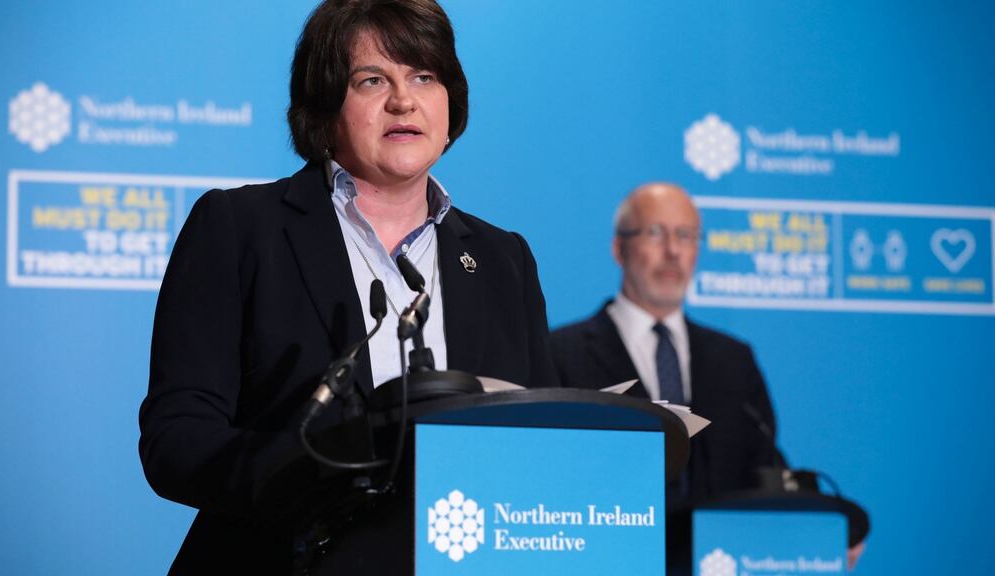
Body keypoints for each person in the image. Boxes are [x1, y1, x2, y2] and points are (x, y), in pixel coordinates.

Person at [138, 1, 557, 574]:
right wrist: (314, 467)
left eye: (424, 76)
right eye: (372, 80)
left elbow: (542, 441)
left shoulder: (503, 258)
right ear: (325, 105)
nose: (404, 100)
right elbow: (177, 440)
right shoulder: (239, 229)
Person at [549, 182, 778, 574]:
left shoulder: (734, 360)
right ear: (619, 248)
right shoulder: (561, 353)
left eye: (686, 236)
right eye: (655, 233)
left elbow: (766, 467)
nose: (673, 251)